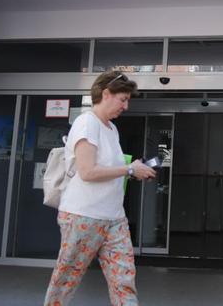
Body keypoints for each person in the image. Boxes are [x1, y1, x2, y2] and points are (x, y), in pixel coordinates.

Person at [44, 72, 156, 306]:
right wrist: (128, 170)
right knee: (66, 278)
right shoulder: (86, 123)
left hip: (114, 217)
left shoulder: (111, 129)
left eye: (127, 101)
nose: (125, 106)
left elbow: (111, 169)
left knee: (123, 279)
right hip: (83, 216)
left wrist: (132, 169)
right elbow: (88, 172)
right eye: (122, 99)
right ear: (106, 94)